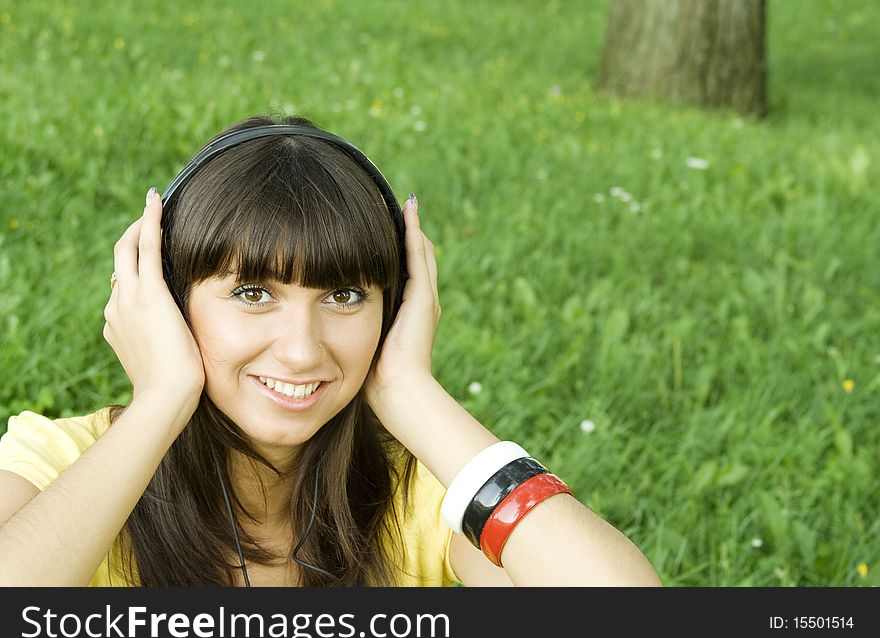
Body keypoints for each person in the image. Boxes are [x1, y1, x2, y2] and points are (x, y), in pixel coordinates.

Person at [0, 114, 662, 587]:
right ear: (167, 302)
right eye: (254, 292)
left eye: (344, 295)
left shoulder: (420, 496)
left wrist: (412, 393)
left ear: (395, 307)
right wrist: (161, 400)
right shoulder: (62, 462)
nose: (300, 350)